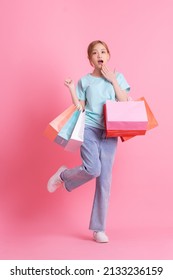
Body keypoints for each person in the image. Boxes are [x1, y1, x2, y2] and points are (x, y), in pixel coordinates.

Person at [47, 40, 130, 243]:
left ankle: (98, 229)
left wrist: (113, 81)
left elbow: (125, 101)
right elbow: (80, 107)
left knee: (105, 181)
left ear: (108, 55)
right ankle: (64, 175)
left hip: (110, 131)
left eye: (103, 51)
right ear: (90, 59)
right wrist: (71, 89)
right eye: (95, 52)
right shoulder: (85, 81)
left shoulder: (117, 77)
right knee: (93, 169)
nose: (99, 54)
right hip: (90, 130)